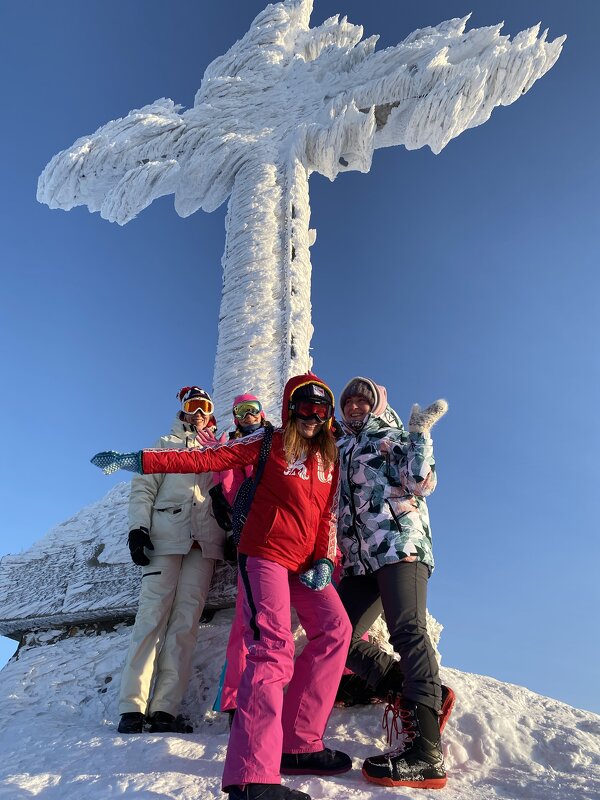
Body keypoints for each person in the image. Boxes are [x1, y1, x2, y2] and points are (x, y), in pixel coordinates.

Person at [92, 374, 353, 800]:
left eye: (321, 410)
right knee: (273, 649)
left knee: (336, 631)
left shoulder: (328, 458)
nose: (313, 416)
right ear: (289, 408)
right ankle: (252, 778)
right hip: (265, 553)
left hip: (306, 563)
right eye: (304, 407)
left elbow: (327, 516)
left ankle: (299, 741)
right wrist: (141, 460)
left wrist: (326, 558)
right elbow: (202, 460)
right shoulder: (266, 442)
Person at [335, 376, 450, 789]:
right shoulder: (341, 448)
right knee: (334, 634)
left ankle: (427, 753)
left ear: (377, 405)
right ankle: (408, 688)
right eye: (347, 401)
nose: (353, 406)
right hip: (361, 561)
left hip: (401, 546)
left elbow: (421, 483)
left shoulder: (391, 437)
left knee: (408, 630)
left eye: (362, 401)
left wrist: (419, 436)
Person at [117, 386, 225, 735]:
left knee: (184, 625)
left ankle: (165, 708)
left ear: (211, 412)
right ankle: (131, 708)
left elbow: (230, 490)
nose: (198, 412)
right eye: (192, 406)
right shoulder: (165, 445)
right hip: (165, 536)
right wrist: (138, 529)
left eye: (204, 406)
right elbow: (144, 488)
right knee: (151, 619)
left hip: (203, 542)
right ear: (183, 411)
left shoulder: (220, 449)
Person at [211, 394, 269, 718]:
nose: (248, 416)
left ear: (262, 413)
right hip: (249, 535)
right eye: (241, 412)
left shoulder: (274, 442)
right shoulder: (232, 448)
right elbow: (229, 488)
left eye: (253, 410)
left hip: (281, 531)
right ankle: (235, 696)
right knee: (246, 618)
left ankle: (348, 678)